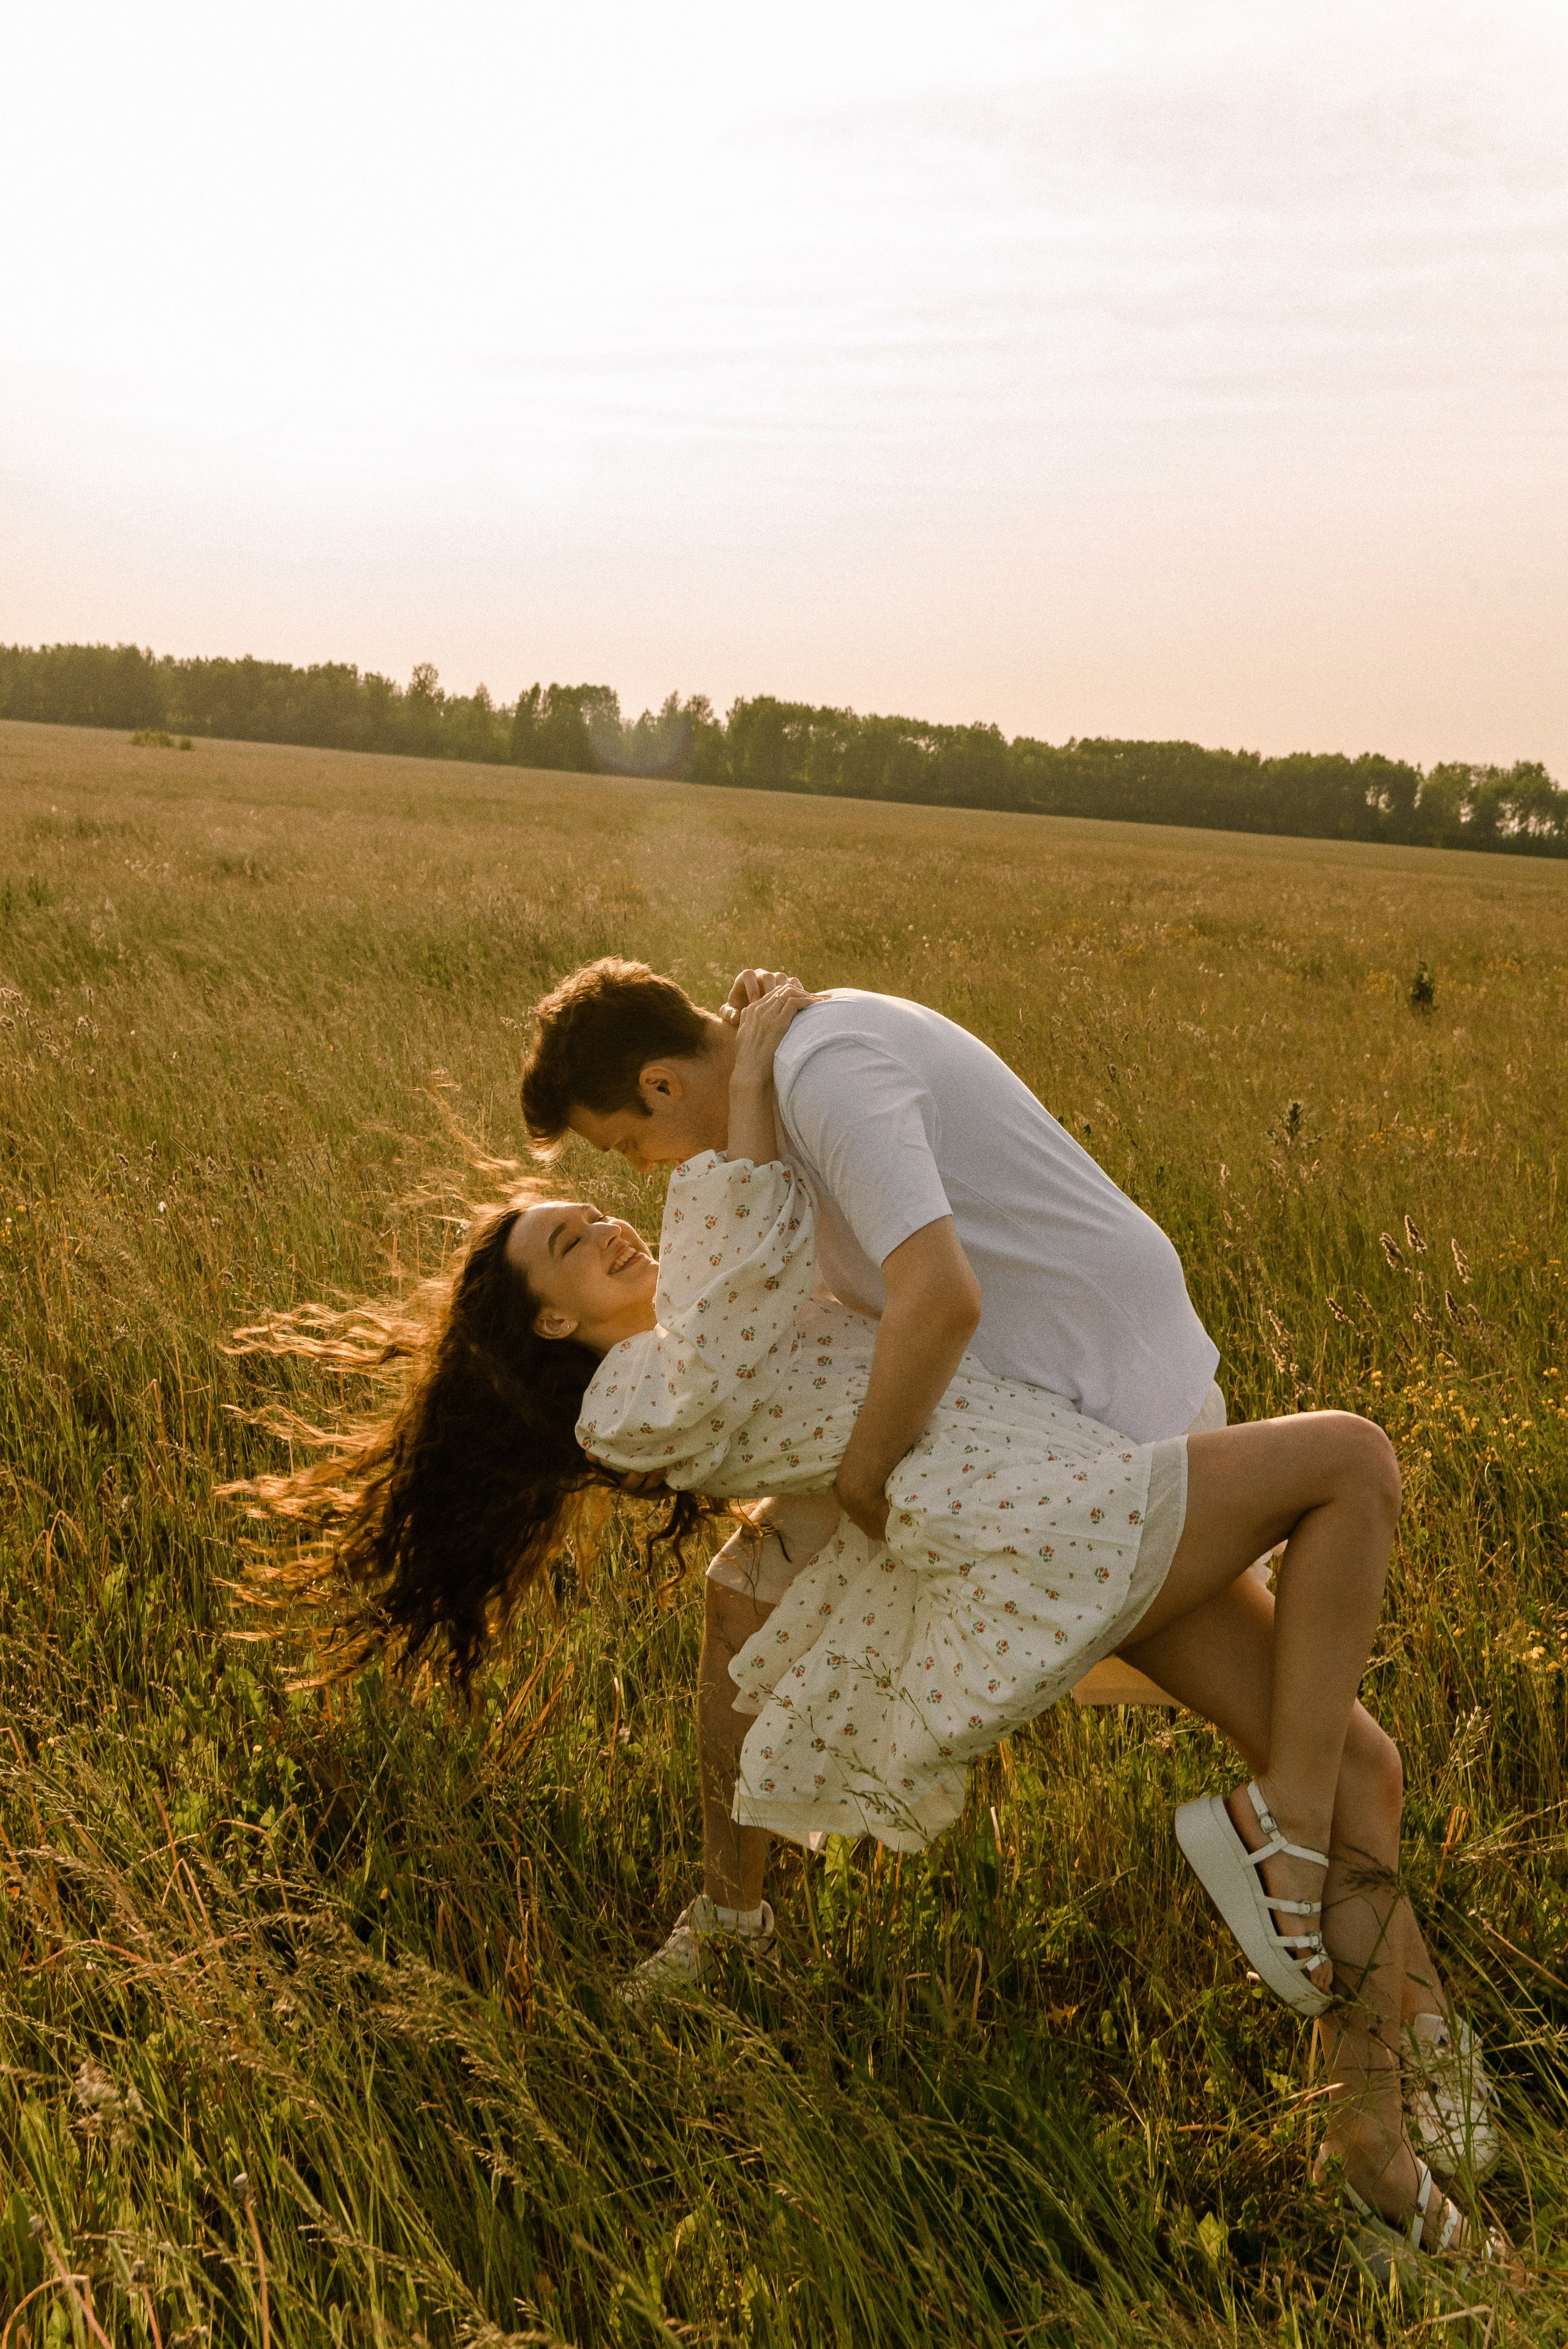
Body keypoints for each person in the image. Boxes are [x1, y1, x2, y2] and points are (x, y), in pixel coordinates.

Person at [227, 981, 1509, 2277]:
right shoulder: (635, 1393)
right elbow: (770, 1342)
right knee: (1349, 1465)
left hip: (1076, 1476)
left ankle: (1373, 2140)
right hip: (1049, 1524)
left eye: (611, 1177)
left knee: (1368, 1769)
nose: (624, 1208)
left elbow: (779, 1359)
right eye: (578, 1230)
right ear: (552, 1323)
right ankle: (1280, 1849)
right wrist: (747, 1096)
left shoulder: (743, 1258)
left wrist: (755, 1095)